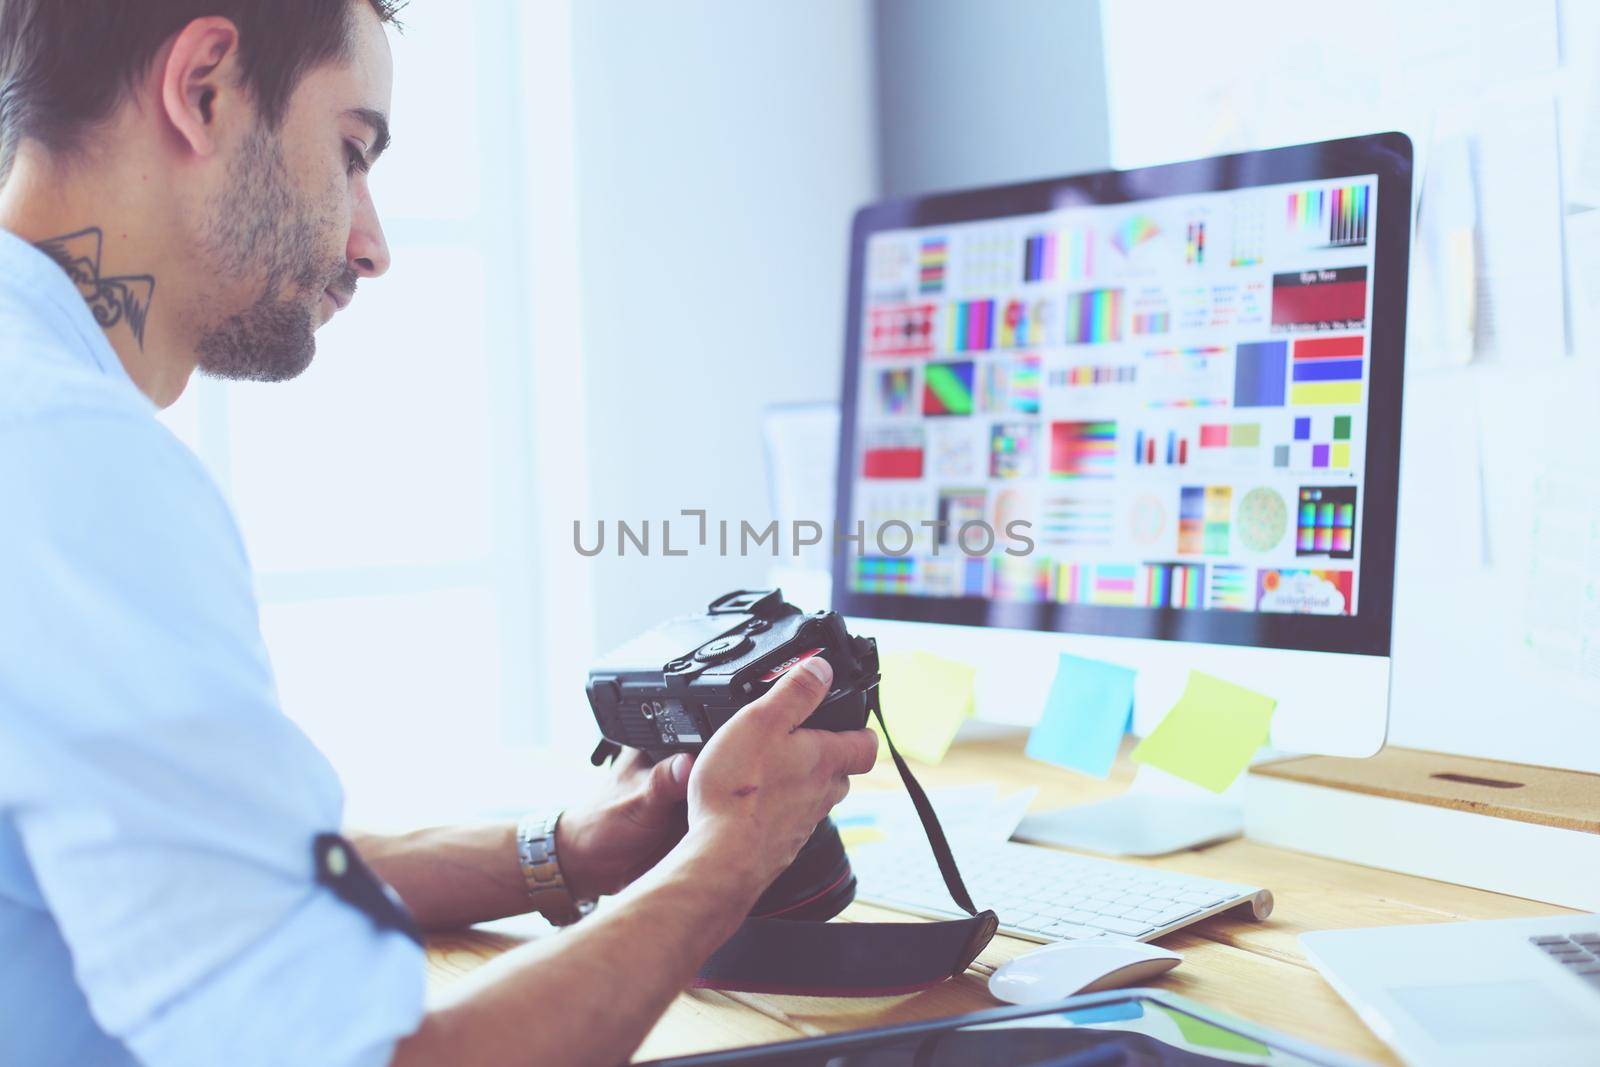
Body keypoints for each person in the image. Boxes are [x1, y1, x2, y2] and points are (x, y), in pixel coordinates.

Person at [0, 3, 880, 1066]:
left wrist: (561, 849)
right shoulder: (72, 460)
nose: (369, 245)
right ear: (204, 89)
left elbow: (215, 871)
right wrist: (730, 860)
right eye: (351, 151)